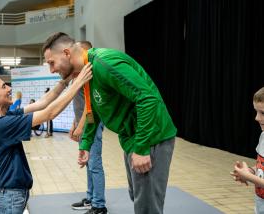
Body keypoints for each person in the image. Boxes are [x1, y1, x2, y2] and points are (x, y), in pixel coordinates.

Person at [42, 32, 177, 214]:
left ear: (66, 53)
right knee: (137, 196)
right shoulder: (87, 70)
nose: (51, 70)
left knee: (147, 206)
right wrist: (86, 144)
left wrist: (142, 148)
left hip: (152, 137)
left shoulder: (105, 63)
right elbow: (93, 110)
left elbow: (148, 99)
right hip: (132, 138)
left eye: (52, 63)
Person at [0, 63, 92, 214]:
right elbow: (49, 113)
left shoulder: (5, 116)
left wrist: (65, 81)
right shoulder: (1, 125)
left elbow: (43, 103)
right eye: (3, 87)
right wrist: (79, 82)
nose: (9, 88)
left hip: (8, 196)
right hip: (9, 198)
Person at [69, 41, 107, 214]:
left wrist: (81, 127)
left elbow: (89, 106)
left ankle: (99, 205)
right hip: (83, 125)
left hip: (92, 124)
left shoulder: (89, 75)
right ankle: (91, 198)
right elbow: (79, 104)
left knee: (94, 164)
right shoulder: (77, 76)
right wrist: (74, 124)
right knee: (87, 163)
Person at [231, 87, 264, 213]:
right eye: (256, 112)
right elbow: (261, 167)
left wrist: (249, 177)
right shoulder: (263, 136)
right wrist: (250, 171)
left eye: (262, 113)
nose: (256, 117)